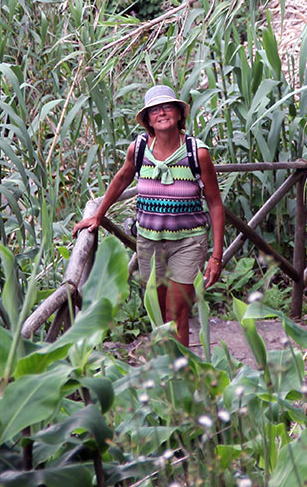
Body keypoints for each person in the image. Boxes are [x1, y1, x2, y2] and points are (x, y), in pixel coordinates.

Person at [73, 84, 225, 347]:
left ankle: (179, 368)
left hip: (188, 242)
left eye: (167, 107)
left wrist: (216, 256)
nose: (161, 113)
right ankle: (165, 364)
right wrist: (98, 215)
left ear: (179, 114)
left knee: (176, 313)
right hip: (149, 242)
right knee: (157, 312)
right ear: (148, 120)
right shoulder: (139, 148)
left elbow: (215, 203)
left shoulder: (196, 153)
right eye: (154, 110)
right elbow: (122, 179)